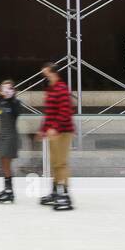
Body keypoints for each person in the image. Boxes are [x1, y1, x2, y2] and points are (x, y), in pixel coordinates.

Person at [37, 63, 74, 211]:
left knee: (61, 163)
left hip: (63, 131)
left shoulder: (62, 88)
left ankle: (64, 195)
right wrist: (43, 130)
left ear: (54, 73)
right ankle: (54, 192)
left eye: (47, 74)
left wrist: (55, 128)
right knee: (54, 163)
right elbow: (49, 113)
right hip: (53, 132)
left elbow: (65, 111)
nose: (45, 76)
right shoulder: (50, 89)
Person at [0, 79, 24, 203]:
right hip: (2, 135)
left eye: (9, 88)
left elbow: (17, 113)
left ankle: (9, 190)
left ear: (13, 90)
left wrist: (11, 98)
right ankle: (7, 188)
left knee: (6, 161)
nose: (6, 91)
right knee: (3, 162)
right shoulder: (1, 102)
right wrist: (0, 97)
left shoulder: (15, 103)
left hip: (10, 136)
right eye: (3, 89)